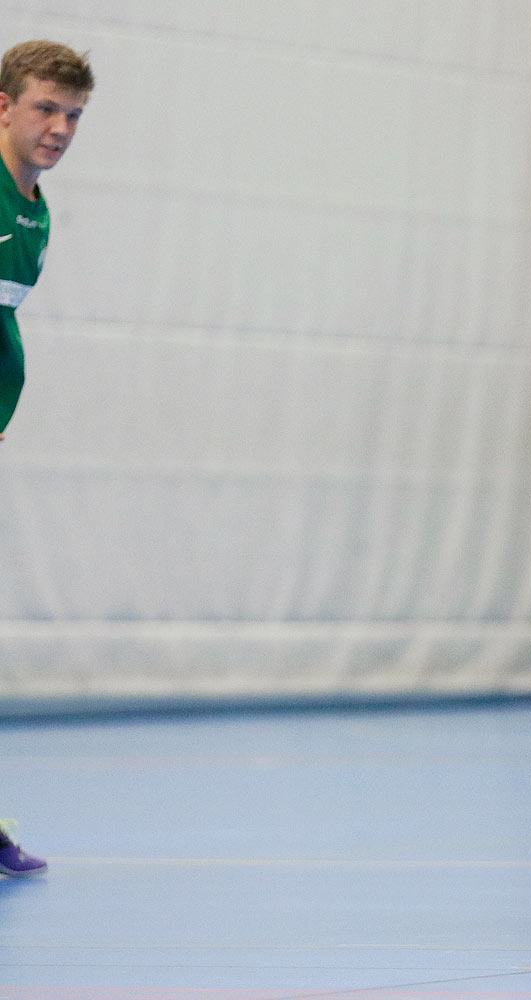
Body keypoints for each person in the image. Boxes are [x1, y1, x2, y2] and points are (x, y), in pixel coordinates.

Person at [0, 38, 94, 879]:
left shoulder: (35, 214)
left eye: (72, 115)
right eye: (44, 108)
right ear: (3, 105)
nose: (60, 127)